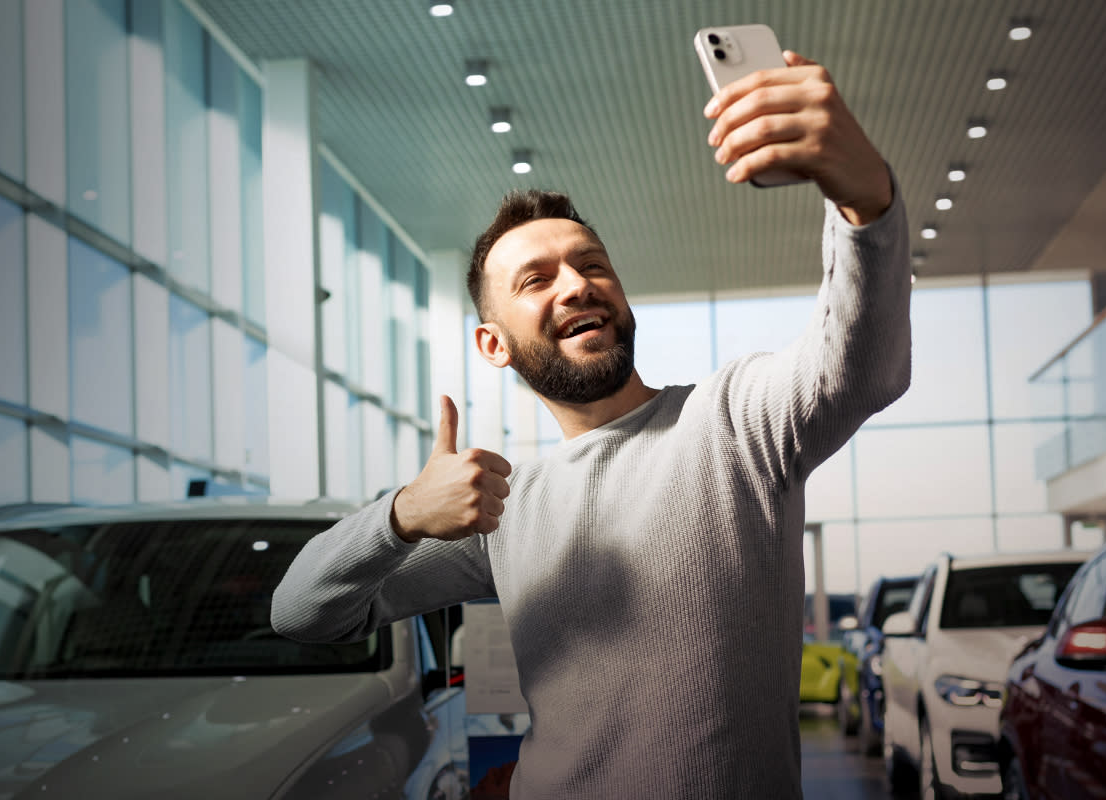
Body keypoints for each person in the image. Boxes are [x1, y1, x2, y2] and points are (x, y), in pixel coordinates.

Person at [273, 50, 910, 798]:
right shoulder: (502, 511)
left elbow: (859, 367)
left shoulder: (734, 421)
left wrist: (865, 202)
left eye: (593, 265)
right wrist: (402, 515)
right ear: (493, 343)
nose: (578, 284)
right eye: (537, 279)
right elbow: (302, 612)